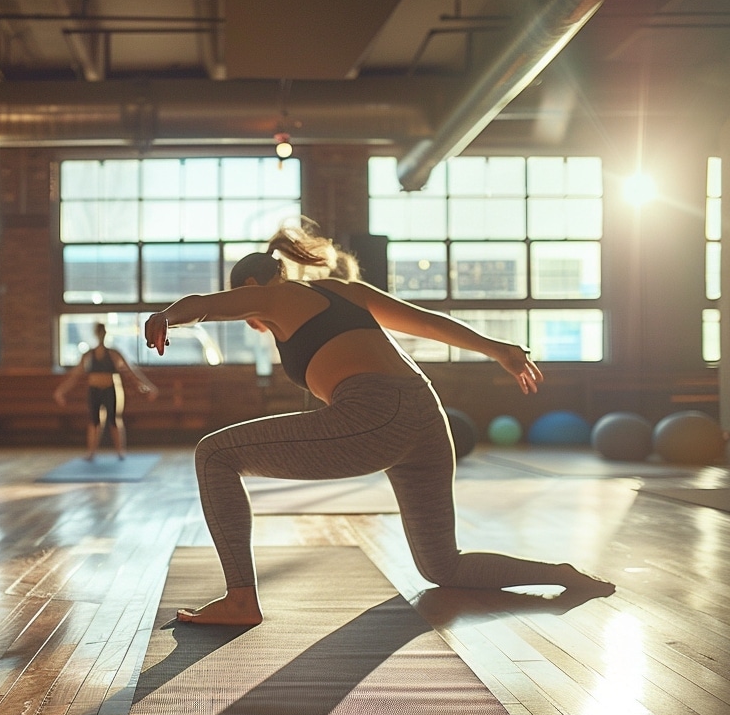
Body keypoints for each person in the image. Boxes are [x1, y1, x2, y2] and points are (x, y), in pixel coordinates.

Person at [143, 224, 614, 625]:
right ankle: (562, 575)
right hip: (427, 417)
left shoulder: (271, 297)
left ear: (249, 286)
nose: (249, 317)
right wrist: (499, 349)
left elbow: (205, 304)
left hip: (376, 414)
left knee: (214, 453)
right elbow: (426, 323)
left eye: (244, 305)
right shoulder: (344, 291)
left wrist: (167, 316)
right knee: (442, 566)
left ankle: (241, 598)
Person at [54, 321, 158, 459]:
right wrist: (61, 391)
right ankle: (91, 451)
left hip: (110, 388)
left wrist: (148, 386)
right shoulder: (89, 354)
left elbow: (130, 371)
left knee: (114, 420)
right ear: (96, 334)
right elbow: (75, 375)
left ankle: (120, 451)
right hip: (94, 390)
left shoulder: (113, 353)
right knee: (94, 421)